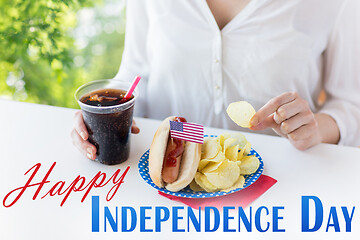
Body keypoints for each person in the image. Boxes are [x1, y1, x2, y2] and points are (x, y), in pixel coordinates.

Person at [71, 0, 360, 160]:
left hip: (277, 186)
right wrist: (103, 116)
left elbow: (350, 105)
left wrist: (316, 131)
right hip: (164, 177)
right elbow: (135, 76)